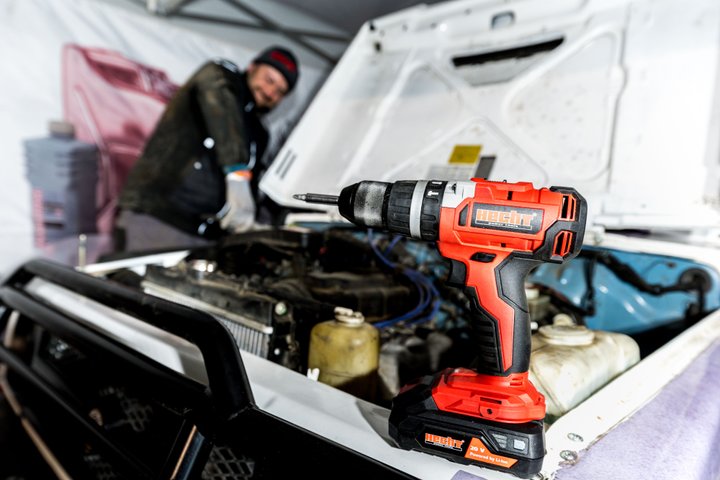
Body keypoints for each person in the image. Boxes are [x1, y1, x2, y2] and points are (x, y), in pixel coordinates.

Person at [113, 46, 299, 252]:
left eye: (280, 91)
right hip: (158, 219)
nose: (270, 92)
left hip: (206, 237)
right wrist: (237, 174)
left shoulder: (259, 133)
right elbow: (217, 90)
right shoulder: (218, 78)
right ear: (252, 67)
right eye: (269, 80)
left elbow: (251, 189)